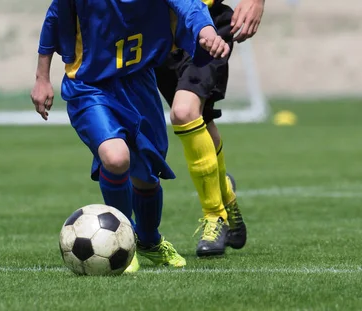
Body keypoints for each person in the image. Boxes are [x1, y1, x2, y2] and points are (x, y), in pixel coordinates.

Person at [31, 0, 231, 272]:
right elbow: (55, 17)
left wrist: (205, 30)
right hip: (90, 86)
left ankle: (149, 240)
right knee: (116, 158)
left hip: (140, 83)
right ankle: (122, 243)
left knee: (147, 176)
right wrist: (42, 77)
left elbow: (189, 5)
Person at [154, 0, 265, 257]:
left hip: (209, 22)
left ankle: (215, 218)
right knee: (200, 120)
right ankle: (226, 194)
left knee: (184, 112)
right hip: (159, 31)